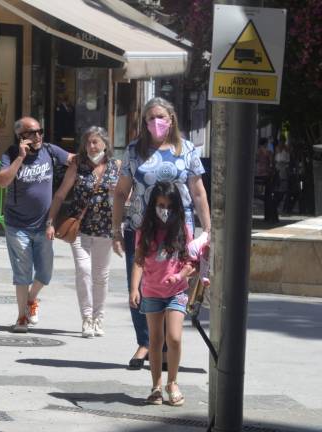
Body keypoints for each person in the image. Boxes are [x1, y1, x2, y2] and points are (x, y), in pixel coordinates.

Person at [112, 97, 211, 370]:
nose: (157, 122)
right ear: (144, 122)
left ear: (172, 119)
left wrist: (208, 229)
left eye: (162, 117)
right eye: (151, 117)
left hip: (178, 231)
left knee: (173, 284)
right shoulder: (134, 150)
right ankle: (145, 342)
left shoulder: (186, 149)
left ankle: (167, 345)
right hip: (141, 228)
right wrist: (115, 229)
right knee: (140, 287)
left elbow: (198, 192)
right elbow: (121, 192)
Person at [0, 117, 70, 333]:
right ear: (21, 136)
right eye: (32, 132)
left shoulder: (49, 150)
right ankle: (21, 317)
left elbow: (74, 160)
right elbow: (3, 181)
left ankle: (31, 299)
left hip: (44, 224)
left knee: (45, 273)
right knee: (22, 273)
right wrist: (20, 158)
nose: (37, 136)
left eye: (40, 131)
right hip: (17, 225)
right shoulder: (10, 154)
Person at [47, 126, 120, 338]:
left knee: (101, 276)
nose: (91, 146)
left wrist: (119, 194)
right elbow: (61, 194)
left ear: (105, 144)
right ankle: (87, 318)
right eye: (88, 142)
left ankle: (99, 318)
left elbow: (127, 196)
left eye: (95, 142)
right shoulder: (78, 164)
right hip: (79, 228)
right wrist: (50, 221)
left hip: (105, 228)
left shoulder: (116, 166)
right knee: (84, 270)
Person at [129, 182, 195, 407]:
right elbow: (138, 260)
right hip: (152, 291)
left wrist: (181, 275)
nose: (164, 209)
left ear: (176, 206)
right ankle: (156, 386)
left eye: (168, 205)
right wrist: (133, 288)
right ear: (153, 205)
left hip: (176, 291)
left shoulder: (182, 230)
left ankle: (172, 382)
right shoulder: (144, 230)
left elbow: (190, 261)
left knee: (174, 338)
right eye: (160, 205)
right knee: (155, 340)